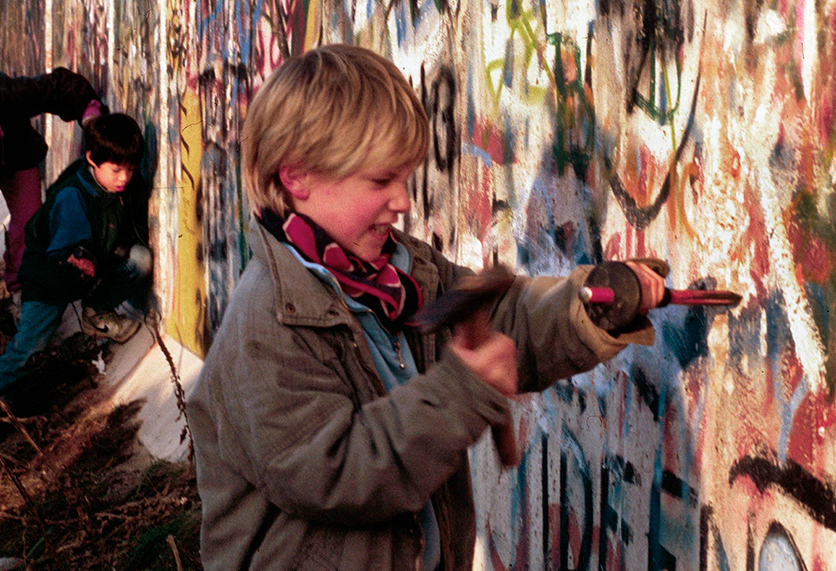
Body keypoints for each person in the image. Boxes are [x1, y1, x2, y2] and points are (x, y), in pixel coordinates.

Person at [188, 44, 666, 571]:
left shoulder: (402, 274)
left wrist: (592, 305)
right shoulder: (267, 322)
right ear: (297, 177)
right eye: (380, 181)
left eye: (405, 178)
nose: (403, 201)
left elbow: (503, 324)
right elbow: (336, 474)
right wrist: (461, 393)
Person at [0, 112, 151, 418]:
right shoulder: (73, 196)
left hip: (84, 271)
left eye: (130, 169)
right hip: (48, 281)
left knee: (139, 260)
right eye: (116, 170)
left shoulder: (113, 187)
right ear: (91, 159)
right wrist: (80, 257)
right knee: (28, 349)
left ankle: (95, 311)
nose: (124, 178)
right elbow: (64, 248)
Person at [0, 67, 106, 291]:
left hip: (17, 155)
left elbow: (57, 86)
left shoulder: (4, 93)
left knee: (29, 219)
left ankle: (21, 288)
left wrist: (90, 114)